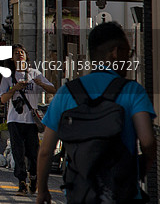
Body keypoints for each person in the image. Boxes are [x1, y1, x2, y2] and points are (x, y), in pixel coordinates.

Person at [36, 22, 156, 204]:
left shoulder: (67, 92)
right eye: (128, 53)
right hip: (122, 194)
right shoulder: (133, 90)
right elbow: (147, 141)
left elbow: (45, 151)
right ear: (115, 53)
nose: (130, 60)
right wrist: (143, 167)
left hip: (79, 194)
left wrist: (42, 191)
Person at [0, 44, 56, 195]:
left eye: (21, 52)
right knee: (18, 152)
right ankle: (22, 182)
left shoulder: (34, 73)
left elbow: (53, 89)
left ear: (26, 55)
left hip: (31, 121)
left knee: (33, 153)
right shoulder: (8, 77)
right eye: (16, 53)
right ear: (12, 58)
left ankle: (34, 177)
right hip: (14, 120)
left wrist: (40, 83)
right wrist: (14, 88)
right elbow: (3, 99)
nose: (19, 54)